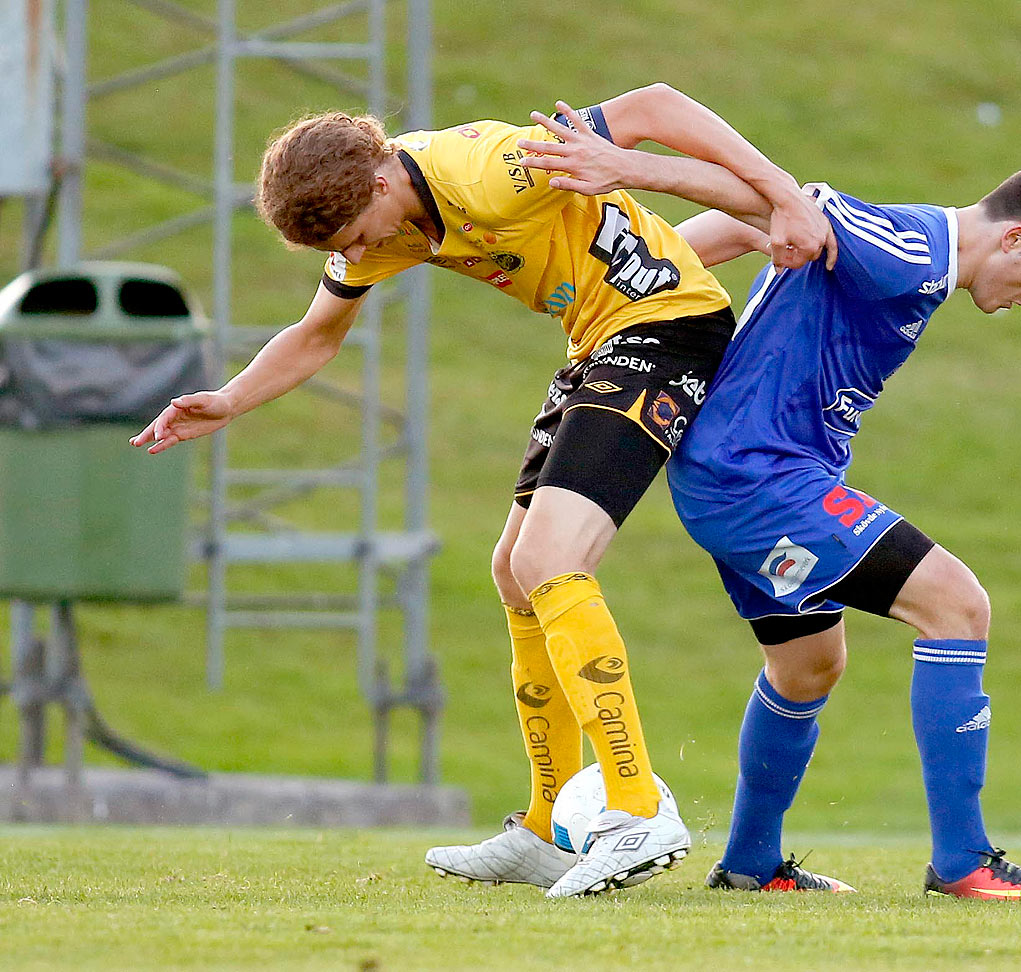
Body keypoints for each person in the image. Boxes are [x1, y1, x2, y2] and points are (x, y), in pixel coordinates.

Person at [129, 84, 834, 897]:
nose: (360, 253)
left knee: (550, 559)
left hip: (666, 330)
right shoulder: (382, 229)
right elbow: (317, 333)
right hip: (598, 343)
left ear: (381, 183)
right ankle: (543, 828)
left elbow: (656, 105)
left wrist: (785, 196)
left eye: (359, 234)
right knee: (513, 571)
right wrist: (228, 400)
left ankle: (638, 808)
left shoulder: (494, 169)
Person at [516, 110, 1021, 899]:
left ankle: (750, 865)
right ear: (1012, 239)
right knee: (958, 606)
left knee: (806, 667)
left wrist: (654, 274)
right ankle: (964, 862)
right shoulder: (913, 254)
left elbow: (755, 223)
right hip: (758, 481)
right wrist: (625, 169)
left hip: (744, 481)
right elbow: (777, 203)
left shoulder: (913, 255)